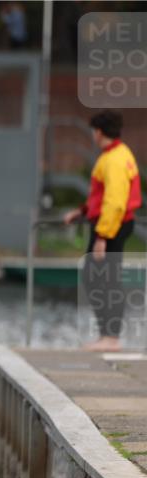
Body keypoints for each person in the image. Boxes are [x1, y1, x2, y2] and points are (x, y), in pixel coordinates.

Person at [64, 110, 142, 351]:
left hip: (112, 227)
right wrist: (83, 210)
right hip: (112, 225)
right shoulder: (115, 155)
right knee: (98, 277)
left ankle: (111, 338)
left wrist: (102, 237)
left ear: (98, 132)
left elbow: (115, 202)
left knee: (103, 279)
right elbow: (101, 196)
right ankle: (108, 336)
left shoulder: (115, 160)